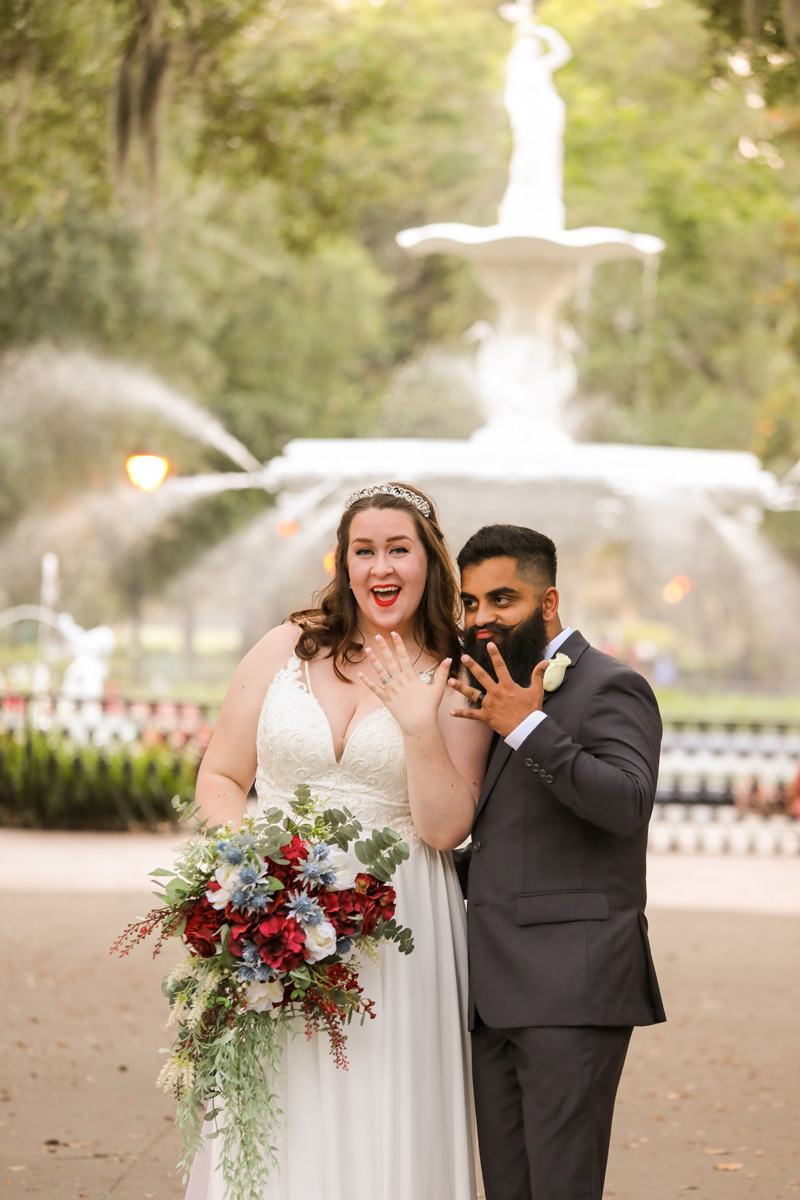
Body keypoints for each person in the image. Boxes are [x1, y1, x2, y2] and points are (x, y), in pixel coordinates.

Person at [185, 482, 491, 1200]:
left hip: (400, 919)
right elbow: (221, 776)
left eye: (398, 549)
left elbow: (448, 826)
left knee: (384, 1102)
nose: (381, 568)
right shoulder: (282, 648)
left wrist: (419, 725)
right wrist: (255, 878)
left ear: (429, 561)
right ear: (344, 563)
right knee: (278, 1104)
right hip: (275, 919)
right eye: (365, 551)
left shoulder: (458, 671)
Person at [448, 524, 665, 1200]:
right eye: (471, 602)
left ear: (549, 603)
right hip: (493, 992)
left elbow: (626, 802)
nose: (482, 619)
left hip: (573, 987)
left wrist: (526, 726)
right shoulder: (491, 689)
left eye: (502, 600)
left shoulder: (611, 686)